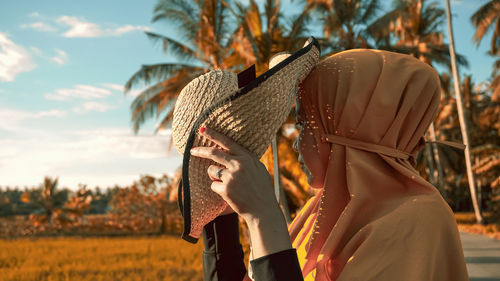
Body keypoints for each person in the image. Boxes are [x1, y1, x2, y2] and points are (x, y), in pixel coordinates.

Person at [189, 48, 470, 281]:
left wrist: (263, 218)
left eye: (304, 124)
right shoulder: (320, 216)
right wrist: (221, 216)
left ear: (350, 129)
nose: (297, 142)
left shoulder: (417, 220)